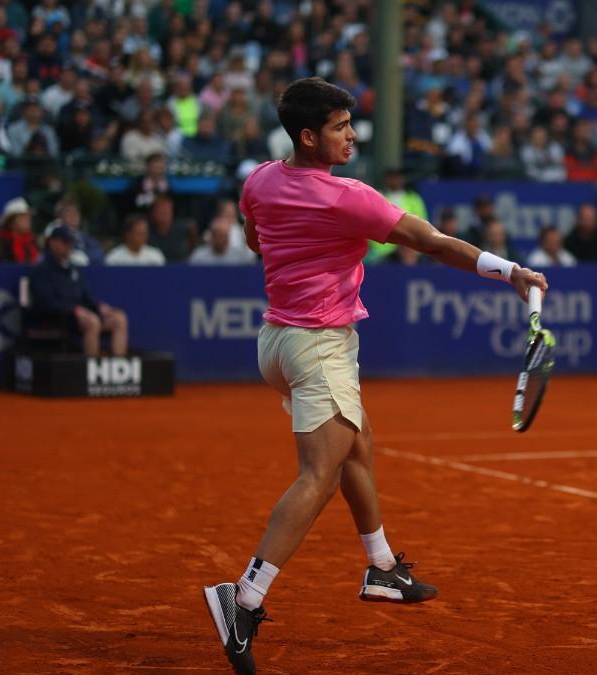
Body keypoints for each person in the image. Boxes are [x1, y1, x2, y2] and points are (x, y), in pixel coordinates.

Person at [201, 78, 546, 675]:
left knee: (357, 442)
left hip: (277, 344)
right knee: (318, 477)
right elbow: (430, 242)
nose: (351, 135)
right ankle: (246, 598)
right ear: (310, 137)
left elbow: (258, 239)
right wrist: (508, 269)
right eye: (339, 127)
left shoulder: (259, 179)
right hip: (318, 347)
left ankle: (383, 568)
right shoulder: (347, 198)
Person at [29, 225, 128, 356]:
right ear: (53, 243)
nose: (68, 246)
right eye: (65, 242)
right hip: (57, 318)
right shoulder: (41, 270)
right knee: (93, 322)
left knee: (119, 318)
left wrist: (98, 307)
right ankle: (91, 369)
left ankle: (118, 366)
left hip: (78, 315)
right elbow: (45, 302)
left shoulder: (72, 269)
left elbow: (84, 296)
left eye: (70, 243)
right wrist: (73, 310)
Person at [189, 216, 258, 265]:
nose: (220, 240)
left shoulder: (239, 255)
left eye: (223, 236)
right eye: (217, 235)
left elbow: (251, 264)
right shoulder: (199, 257)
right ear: (212, 236)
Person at [0, 197, 41, 264]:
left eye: (28, 217)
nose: (28, 220)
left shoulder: (32, 241)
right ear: (11, 223)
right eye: (23, 217)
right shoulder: (1, 243)